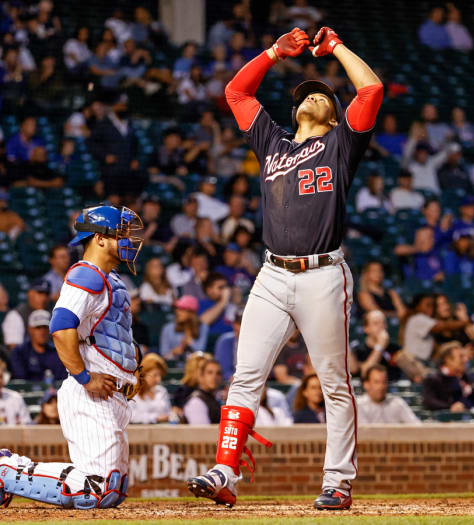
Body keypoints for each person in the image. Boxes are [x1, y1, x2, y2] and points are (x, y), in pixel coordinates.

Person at [188, 25, 383, 510]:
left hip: (323, 274)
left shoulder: (341, 145)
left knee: (334, 382)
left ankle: (337, 481)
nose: (312, 96)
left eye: (321, 94)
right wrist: (274, 51)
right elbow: (236, 91)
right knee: (245, 375)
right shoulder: (272, 142)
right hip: (272, 274)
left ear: (335, 115)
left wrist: (335, 47)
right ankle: (225, 472)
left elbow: (372, 88)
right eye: (305, 94)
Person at [0, 205, 145, 510]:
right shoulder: (86, 273)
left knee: (114, 489)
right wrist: (84, 377)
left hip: (113, 394)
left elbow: (119, 336)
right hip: (90, 392)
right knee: (98, 488)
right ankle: (6, 471)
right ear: (99, 238)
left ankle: (6, 478)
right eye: (120, 233)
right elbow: (61, 327)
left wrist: (134, 370)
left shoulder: (112, 281)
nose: (128, 240)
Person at [401, 294, 470, 361]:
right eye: (427, 305)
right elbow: (444, 326)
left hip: (420, 361)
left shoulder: (424, 321)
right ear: (417, 306)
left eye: (432, 306)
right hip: (414, 361)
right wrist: (468, 321)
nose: (430, 309)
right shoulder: (418, 318)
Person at [422, 341, 474, 411]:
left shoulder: (467, 378)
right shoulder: (432, 380)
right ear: (448, 360)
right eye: (461, 357)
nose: (466, 360)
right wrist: (450, 407)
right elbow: (429, 402)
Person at [10, 310, 66, 381]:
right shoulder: (19, 353)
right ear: (30, 329)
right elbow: (20, 381)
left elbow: (61, 379)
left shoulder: (58, 352)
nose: (42, 332)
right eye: (38, 328)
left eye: (45, 327)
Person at [355, 310, 404, 382]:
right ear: (366, 328)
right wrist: (380, 346)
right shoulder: (358, 349)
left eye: (383, 322)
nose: (381, 326)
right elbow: (364, 373)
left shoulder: (394, 348)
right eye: (376, 323)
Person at [2, 278, 51, 349]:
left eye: (46, 294)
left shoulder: (54, 313)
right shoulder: (16, 315)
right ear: (29, 293)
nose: (43, 298)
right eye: (39, 293)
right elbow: (14, 348)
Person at [160, 295, 209, 360]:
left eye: (182, 309)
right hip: (173, 365)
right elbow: (163, 354)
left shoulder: (203, 327)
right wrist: (174, 352)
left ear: (191, 312)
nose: (177, 312)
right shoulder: (167, 328)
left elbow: (201, 350)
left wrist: (189, 342)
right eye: (177, 308)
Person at [129, 353, 172, 424]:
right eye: (155, 375)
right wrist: (156, 418)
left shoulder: (162, 391)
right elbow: (130, 416)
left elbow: (168, 413)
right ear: (144, 373)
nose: (159, 380)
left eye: (160, 375)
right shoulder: (133, 391)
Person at [183, 358, 223, 424]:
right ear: (201, 377)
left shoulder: (213, 399)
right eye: (209, 372)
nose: (214, 377)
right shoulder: (196, 402)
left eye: (218, 373)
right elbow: (202, 433)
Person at [214, 312, 242, 381]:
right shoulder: (225, 341)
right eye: (238, 323)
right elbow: (224, 370)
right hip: (230, 383)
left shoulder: (255, 343)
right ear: (233, 324)